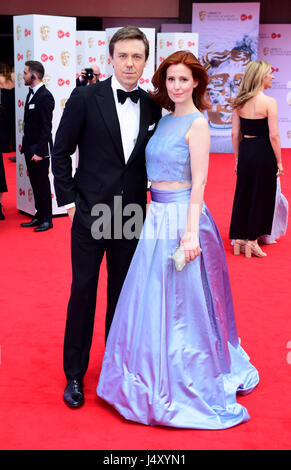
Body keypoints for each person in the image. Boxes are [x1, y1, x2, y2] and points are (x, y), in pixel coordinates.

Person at [97, 51, 259, 430]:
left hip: (184, 219)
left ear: (196, 83)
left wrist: (189, 233)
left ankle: (184, 373)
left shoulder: (198, 124)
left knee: (184, 308)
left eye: (184, 79)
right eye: (171, 79)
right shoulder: (163, 119)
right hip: (154, 217)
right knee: (149, 299)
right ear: (164, 83)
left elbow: (200, 182)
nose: (177, 86)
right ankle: (145, 372)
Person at [52, 26, 161, 409]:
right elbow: (60, 151)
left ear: (146, 61)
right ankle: (75, 376)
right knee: (83, 292)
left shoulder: (151, 104)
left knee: (122, 295)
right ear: (110, 58)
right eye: (123, 56)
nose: (130, 63)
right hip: (91, 210)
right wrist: (68, 202)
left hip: (130, 211)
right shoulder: (85, 97)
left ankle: (116, 368)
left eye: (137, 56)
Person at [229, 60, 283, 257]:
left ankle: (239, 239)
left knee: (243, 194)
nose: (273, 76)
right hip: (264, 151)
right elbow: (274, 136)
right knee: (262, 196)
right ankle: (252, 240)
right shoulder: (269, 102)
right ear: (261, 76)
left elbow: (235, 134)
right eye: (270, 73)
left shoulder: (239, 101)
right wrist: (279, 161)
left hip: (246, 151)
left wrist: (237, 159)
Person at [20, 60, 55, 232]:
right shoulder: (31, 94)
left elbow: (46, 127)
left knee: (42, 183)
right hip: (29, 148)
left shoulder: (45, 96)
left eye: (25, 72)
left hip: (39, 150)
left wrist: (40, 152)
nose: (23, 75)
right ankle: (39, 215)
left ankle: (47, 219)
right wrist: (24, 146)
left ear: (33, 76)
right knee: (35, 183)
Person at [0, 62, 15, 219]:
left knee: (4, 127)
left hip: (4, 104)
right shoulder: (12, 77)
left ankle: (5, 146)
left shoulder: (1, 78)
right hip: (11, 104)